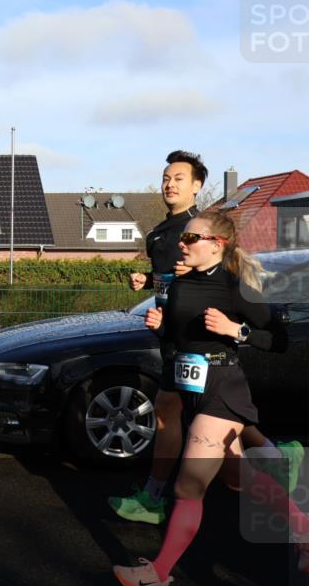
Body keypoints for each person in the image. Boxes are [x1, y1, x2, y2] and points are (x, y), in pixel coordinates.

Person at [113, 210, 308, 586]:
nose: (181, 246)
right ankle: (304, 531)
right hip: (194, 391)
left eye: (190, 239)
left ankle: (159, 575)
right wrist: (159, 325)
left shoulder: (234, 288)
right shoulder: (182, 284)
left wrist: (237, 331)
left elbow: (280, 338)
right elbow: (179, 332)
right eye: (182, 239)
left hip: (223, 390)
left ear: (217, 244)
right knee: (239, 479)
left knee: (189, 484)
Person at [109, 151, 303, 524]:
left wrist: (235, 329)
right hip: (177, 338)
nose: (169, 183)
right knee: (221, 433)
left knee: (177, 413)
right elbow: (174, 281)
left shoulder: (200, 232)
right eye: (166, 177)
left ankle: (155, 498)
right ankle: (278, 463)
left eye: (179, 178)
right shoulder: (160, 234)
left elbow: (211, 283)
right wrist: (149, 283)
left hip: (200, 347)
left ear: (197, 186)